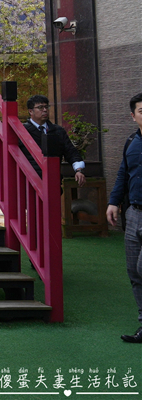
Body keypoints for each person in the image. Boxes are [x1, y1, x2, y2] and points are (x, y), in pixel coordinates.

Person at [106, 91, 142, 344]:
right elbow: (123, 174)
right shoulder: (131, 141)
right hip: (135, 213)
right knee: (134, 272)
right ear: (133, 116)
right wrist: (113, 202)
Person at [22, 95, 86, 187]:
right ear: (30, 111)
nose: (45, 110)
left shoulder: (58, 131)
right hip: (28, 183)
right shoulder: (22, 131)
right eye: (40, 107)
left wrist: (79, 170)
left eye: (46, 107)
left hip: (53, 181)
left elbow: (71, 152)